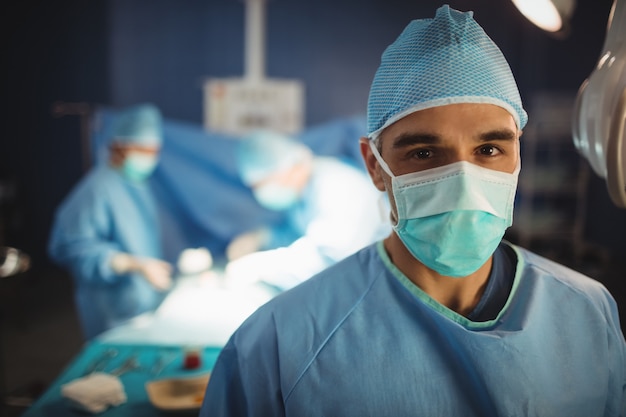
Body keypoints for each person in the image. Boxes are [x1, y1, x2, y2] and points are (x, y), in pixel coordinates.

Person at [199, 5, 626, 416]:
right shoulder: (276, 346)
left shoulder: (587, 312)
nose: (463, 180)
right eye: (424, 152)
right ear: (374, 166)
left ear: (518, 153)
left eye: (490, 149)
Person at [48, 104, 173, 340]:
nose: (151, 157)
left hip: (141, 305)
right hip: (111, 309)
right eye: (144, 150)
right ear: (120, 148)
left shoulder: (137, 185)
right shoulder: (96, 189)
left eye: (155, 151)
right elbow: (72, 249)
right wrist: (128, 263)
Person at [223, 130, 390, 291]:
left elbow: (331, 258)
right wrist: (263, 238)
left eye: (263, 184)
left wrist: (261, 267)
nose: (260, 192)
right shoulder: (302, 193)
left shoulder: (337, 185)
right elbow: (299, 236)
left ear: (292, 167)